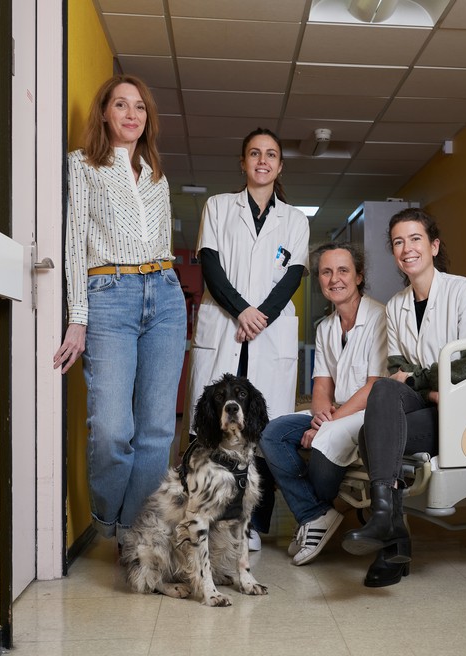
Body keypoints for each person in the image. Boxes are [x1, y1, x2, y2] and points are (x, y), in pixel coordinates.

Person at [53, 74, 186, 545]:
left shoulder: (155, 174)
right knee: (112, 428)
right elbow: (72, 244)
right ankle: (110, 524)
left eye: (140, 108)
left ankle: (137, 535)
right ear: (105, 113)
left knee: (155, 428)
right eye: (121, 105)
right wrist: (78, 318)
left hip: (166, 293)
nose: (132, 115)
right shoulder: (82, 165)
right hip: (110, 293)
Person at [341, 208, 466, 587]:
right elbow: (396, 372)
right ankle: (388, 525)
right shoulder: (396, 306)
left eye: (415, 239)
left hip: (463, 414)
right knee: (384, 390)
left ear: (434, 245)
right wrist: (429, 386)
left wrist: (420, 380)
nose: (406, 248)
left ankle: (390, 540)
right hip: (429, 407)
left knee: (369, 436)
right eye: (397, 242)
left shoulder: (465, 292)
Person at [184, 127, 310, 550]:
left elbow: (291, 277)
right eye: (254, 153)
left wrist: (259, 317)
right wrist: (242, 311)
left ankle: (252, 525)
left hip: (267, 335)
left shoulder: (294, 220)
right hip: (225, 327)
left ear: (279, 165)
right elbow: (212, 269)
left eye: (271, 154)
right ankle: (205, 514)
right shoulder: (218, 207)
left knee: (263, 431)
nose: (262, 160)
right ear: (242, 163)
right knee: (211, 424)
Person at [259, 243, 387, 566]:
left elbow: (374, 387)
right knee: (273, 434)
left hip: (366, 416)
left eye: (343, 271)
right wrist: (320, 419)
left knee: (323, 448)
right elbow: (321, 387)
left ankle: (314, 515)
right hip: (335, 415)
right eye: (326, 272)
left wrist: (325, 427)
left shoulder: (380, 318)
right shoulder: (325, 327)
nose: (334, 279)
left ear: (359, 276)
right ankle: (316, 515)